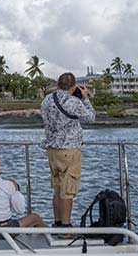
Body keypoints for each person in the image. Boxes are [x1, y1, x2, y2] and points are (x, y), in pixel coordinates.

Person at [40, 72, 96, 227]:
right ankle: (66, 226)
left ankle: (57, 223)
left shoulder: (46, 100)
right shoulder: (74, 102)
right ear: (73, 87)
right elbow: (91, 117)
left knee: (57, 189)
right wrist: (85, 98)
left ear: (57, 84)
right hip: (69, 149)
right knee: (68, 190)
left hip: (52, 149)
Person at [0, 152, 45, 232]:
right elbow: (20, 210)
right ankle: (51, 235)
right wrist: (16, 190)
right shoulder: (8, 185)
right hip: (5, 228)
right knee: (35, 218)